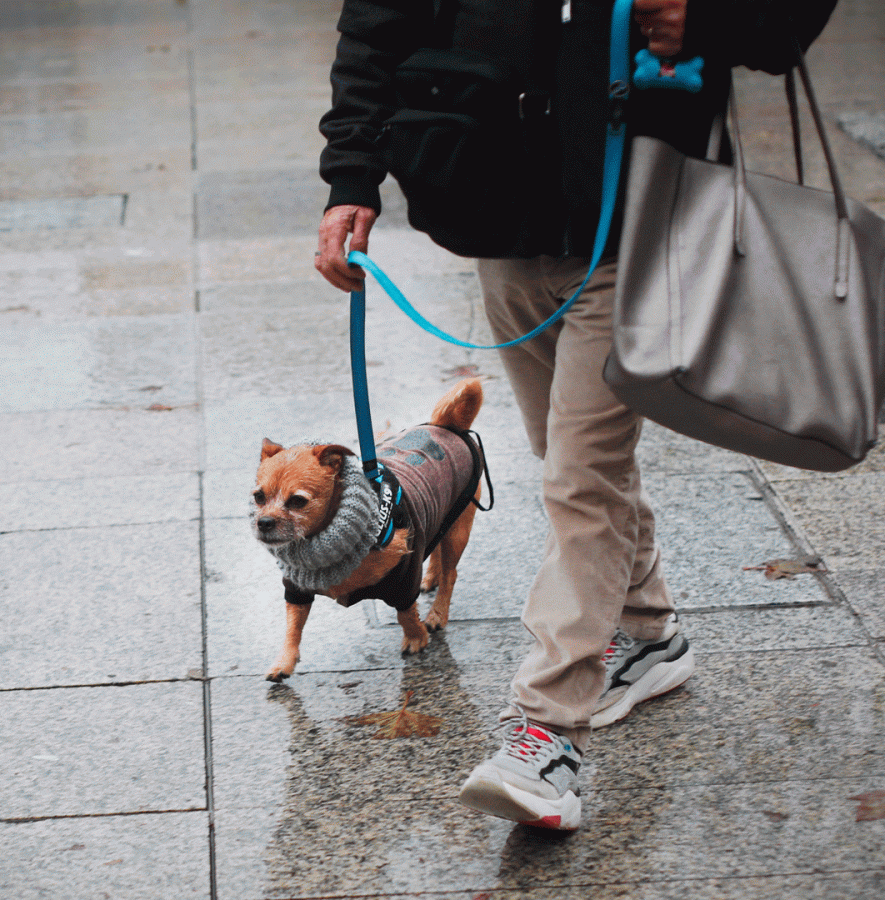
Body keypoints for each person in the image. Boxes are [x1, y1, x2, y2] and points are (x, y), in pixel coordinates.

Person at [315, 0, 837, 830]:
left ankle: (545, 734)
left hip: (637, 219)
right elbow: (379, 23)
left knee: (579, 479)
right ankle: (651, 631)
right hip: (494, 213)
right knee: (563, 454)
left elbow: (786, 19)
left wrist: (709, 21)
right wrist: (352, 177)